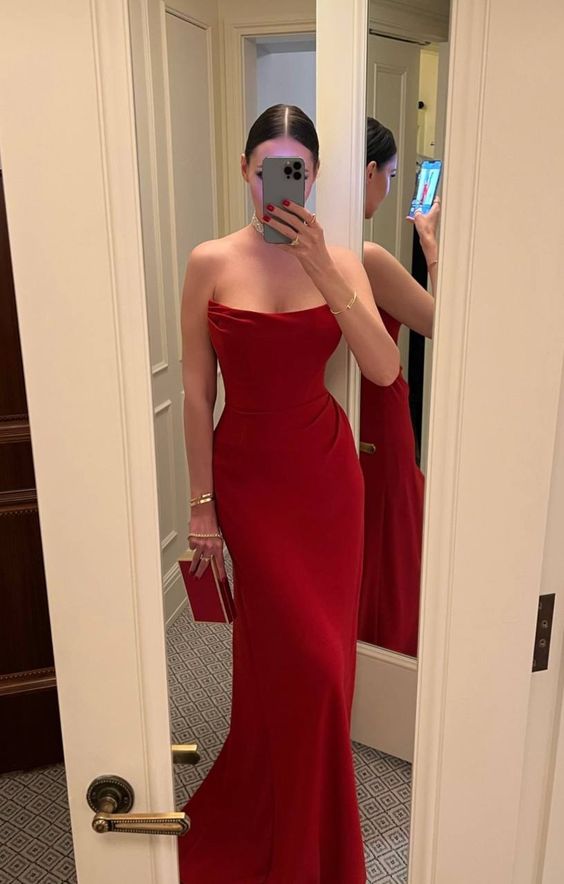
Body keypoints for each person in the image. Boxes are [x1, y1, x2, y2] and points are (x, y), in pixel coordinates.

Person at [178, 104, 399, 883]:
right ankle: (277, 821)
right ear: (246, 169)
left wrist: (324, 272)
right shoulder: (209, 261)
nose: (279, 182)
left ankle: (316, 840)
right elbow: (197, 391)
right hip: (249, 482)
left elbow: (383, 368)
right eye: (268, 167)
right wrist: (201, 507)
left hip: (327, 483)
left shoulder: (339, 260)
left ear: (312, 175)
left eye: (295, 170)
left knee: (325, 672)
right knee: (287, 662)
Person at [357, 117, 440, 656]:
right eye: (389, 175)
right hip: (380, 418)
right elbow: (443, 323)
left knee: (364, 539)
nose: (388, 189)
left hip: (337, 417)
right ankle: (387, 657)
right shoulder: (367, 258)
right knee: (388, 540)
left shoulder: (305, 253)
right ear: (370, 172)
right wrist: (430, 245)